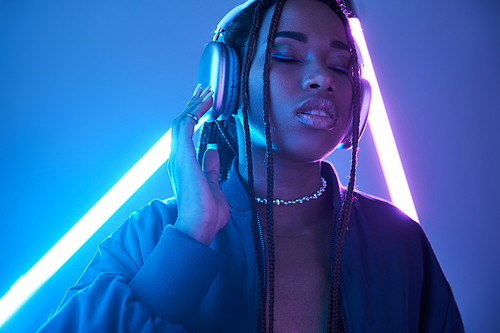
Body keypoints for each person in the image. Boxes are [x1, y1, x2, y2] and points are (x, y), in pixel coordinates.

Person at [37, 0, 465, 332]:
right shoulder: (149, 234)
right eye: (287, 55)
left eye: (341, 65)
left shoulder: (398, 239)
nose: (324, 78)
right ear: (227, 84)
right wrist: (191, 235)